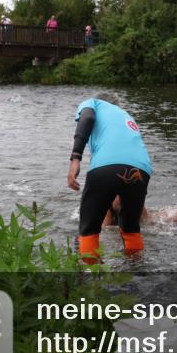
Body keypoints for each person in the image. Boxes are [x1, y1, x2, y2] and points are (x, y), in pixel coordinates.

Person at [67, 92, 152, 263]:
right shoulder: (126, 116)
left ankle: (93, 279)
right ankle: (136, 273)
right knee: (131, 229)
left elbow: (88, 118)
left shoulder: (93, 103)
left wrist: (76, 158)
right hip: (142, 169)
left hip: (107, 165)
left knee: (89, 229)